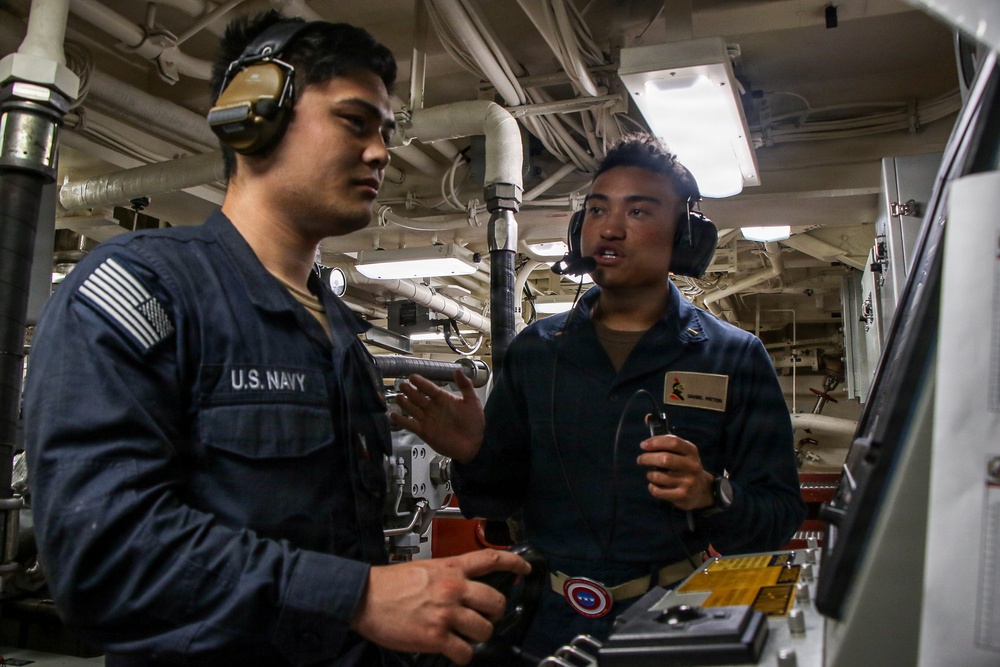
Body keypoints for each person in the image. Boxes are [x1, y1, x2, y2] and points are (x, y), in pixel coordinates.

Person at [23, 11, 529, 667]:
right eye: (354, 121)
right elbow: (99, 556)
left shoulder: (341, 337)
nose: (381, 152)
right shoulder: (145, 290)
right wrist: (355, 596)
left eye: (385, 131)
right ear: (253, 115)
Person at [391, 134, 806, 658]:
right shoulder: (535, 352)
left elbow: (778, 516)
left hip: (672, 621)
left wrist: (711, 494)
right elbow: (494, 503)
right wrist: (473, 454)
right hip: (547, 620)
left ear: (685, 237)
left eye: (638, 211)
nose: (610, 227)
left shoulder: (733, 356)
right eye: (596, 210)